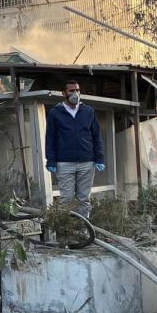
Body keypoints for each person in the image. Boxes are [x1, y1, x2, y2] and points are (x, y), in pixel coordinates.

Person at [45, 80, 104, 217]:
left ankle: (84, 230)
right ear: (63, 93)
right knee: (66, 198)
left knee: (84, 199)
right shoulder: (55, 112)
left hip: (87, 162)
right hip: (64, 163)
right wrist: (51, 160)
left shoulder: (88, 111)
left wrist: (99, 158)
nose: (75, 93)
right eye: (71, 91)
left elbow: (96, 136)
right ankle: (63, 229)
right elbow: (50, 138)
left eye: (77, 90)